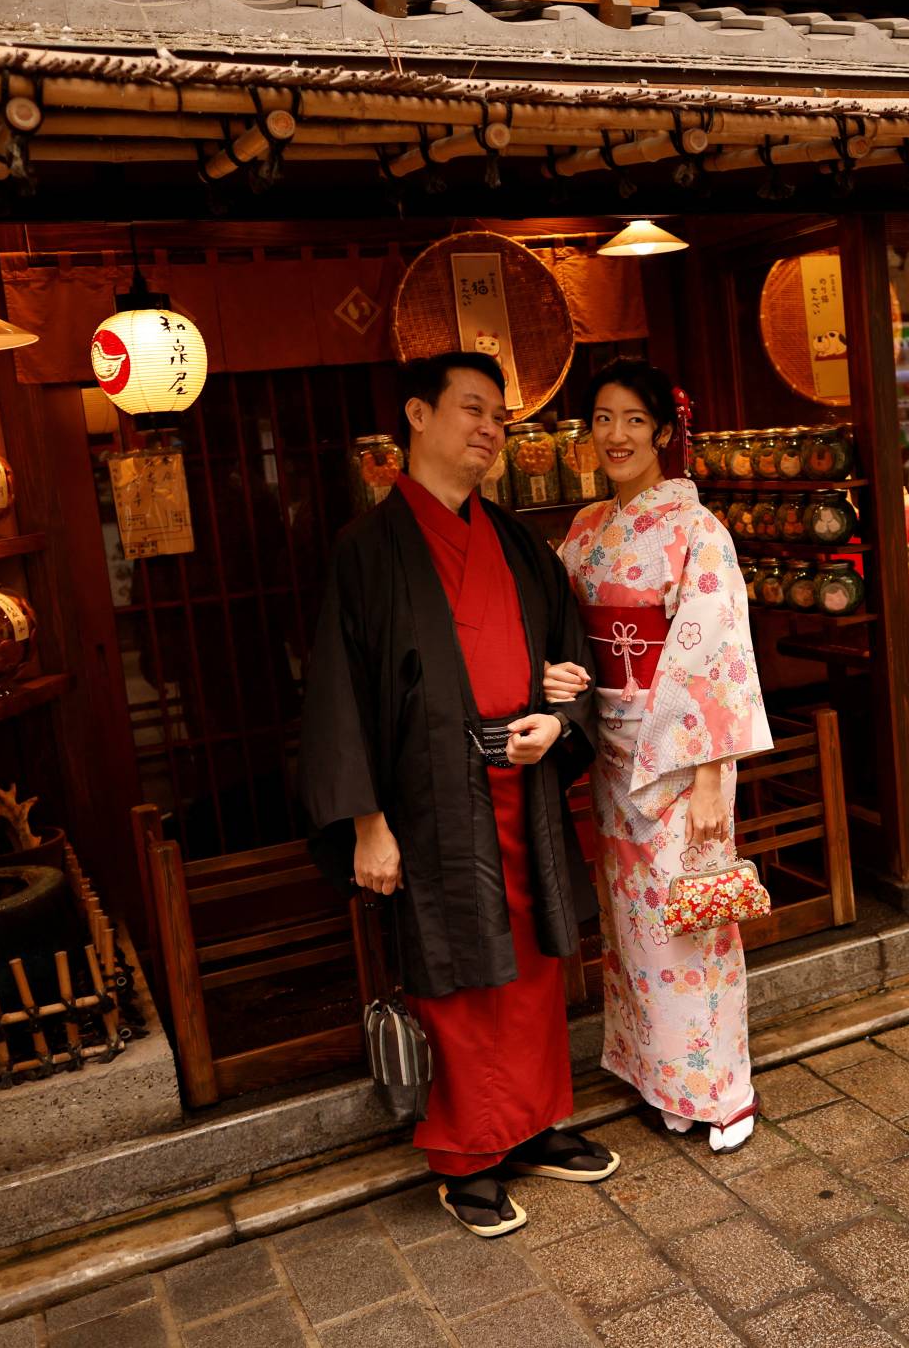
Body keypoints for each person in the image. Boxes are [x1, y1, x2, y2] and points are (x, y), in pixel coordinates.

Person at [298, 350, 618, 1238]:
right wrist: (367, 823)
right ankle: (470, 1153)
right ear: (417, 415)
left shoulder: (516, 540)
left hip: (526, 783)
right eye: (472, 410)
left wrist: (561, 724)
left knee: (535, 961)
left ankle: (537, 1121)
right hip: (428, 800)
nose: (489, 431)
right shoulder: (367, 551)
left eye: (500, 418)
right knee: (458, 974)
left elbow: (571, 664)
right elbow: (337, 693)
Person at [542, 358, 772, 1153]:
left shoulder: (696, 531)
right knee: (632, 921)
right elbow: (566, 628)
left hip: (680, 755)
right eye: (602, 419)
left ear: (665, 432)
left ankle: (722, 1089)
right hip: (610, 746)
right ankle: (657, 1074)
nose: (616, 435)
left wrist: (712, 779)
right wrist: (562, 674)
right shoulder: (585, 530)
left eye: (634, 420)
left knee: (692, 921)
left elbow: (716, 658)